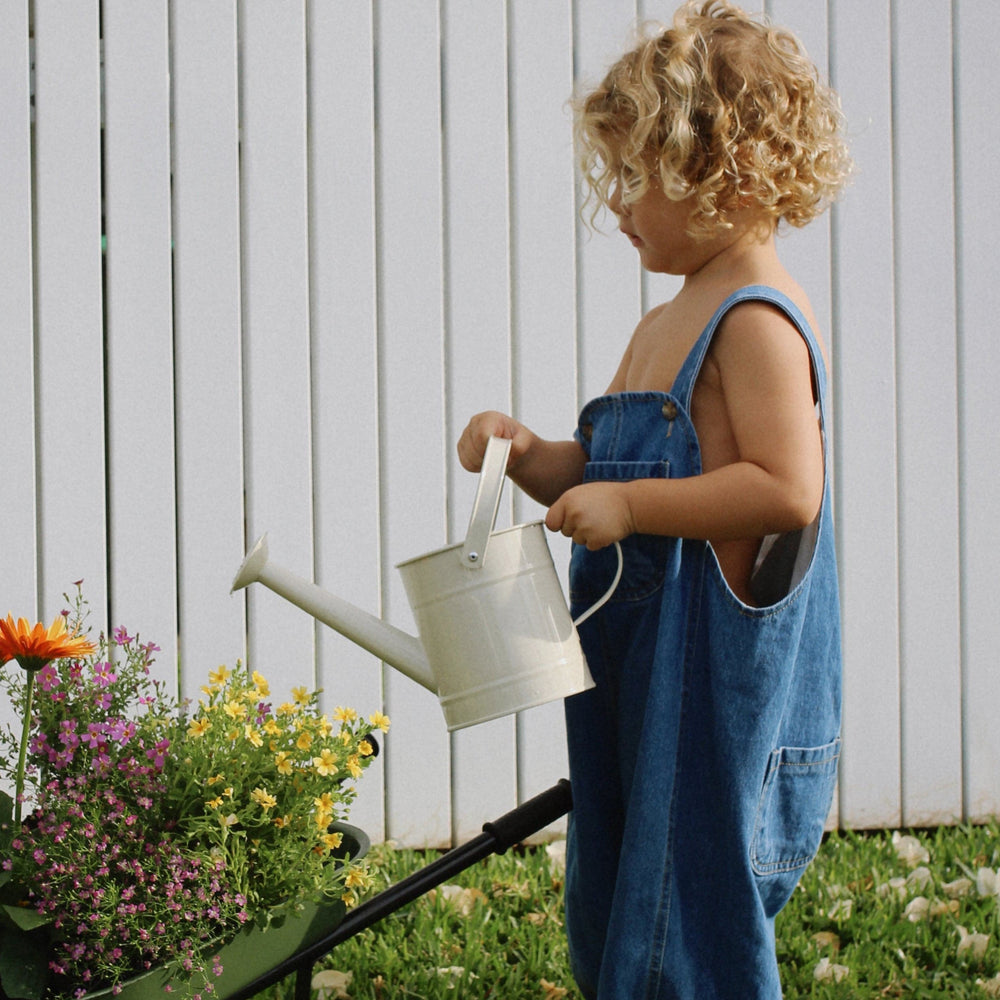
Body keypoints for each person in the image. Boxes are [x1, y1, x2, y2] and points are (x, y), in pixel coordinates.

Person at [458, 2, 852, 997]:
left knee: (686, 905)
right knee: (619, 887)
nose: (619, 205)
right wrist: (532, 455)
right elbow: (604, 470)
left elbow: (784, 488)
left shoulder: (753, 317)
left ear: (726, 173)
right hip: (632, 668)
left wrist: (632, 514)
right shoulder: (662, 322)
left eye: (636, 177)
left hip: (705, 684)